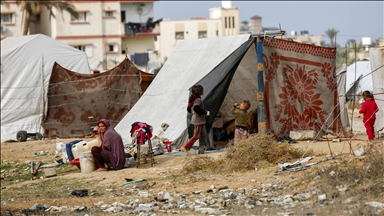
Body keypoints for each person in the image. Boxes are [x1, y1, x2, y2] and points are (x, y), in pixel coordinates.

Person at [181, 85, 209, 155]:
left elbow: (188, 109)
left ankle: (201, 151)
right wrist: (204, 112)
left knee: (203, 136)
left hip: (199, 120)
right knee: (196, 136)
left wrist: (193, 113)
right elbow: (196, 108)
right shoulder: (198, 100)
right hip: (198, 121)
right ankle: (185, 147)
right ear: (200, 92)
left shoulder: (193, 99)